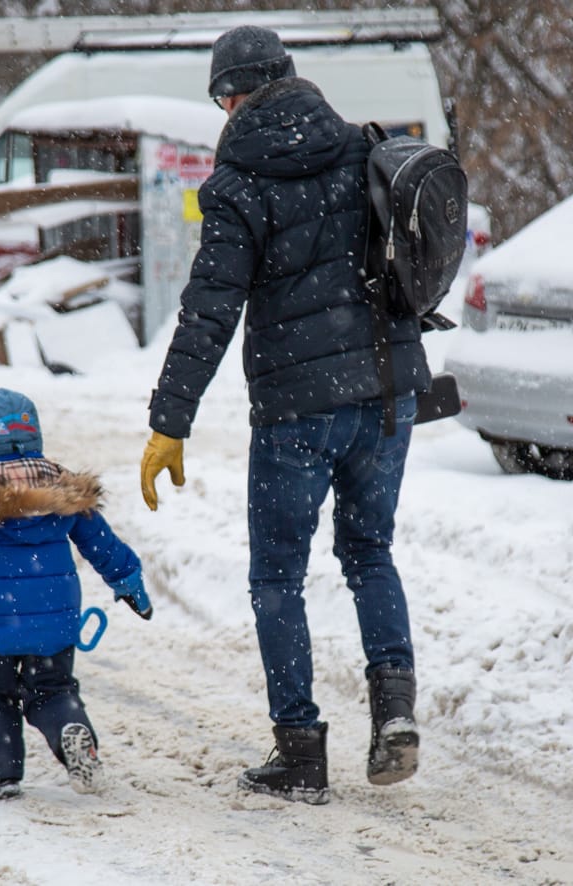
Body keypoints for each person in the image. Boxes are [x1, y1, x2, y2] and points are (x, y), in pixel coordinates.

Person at [139, 25, 429, 805]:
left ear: (230, 96)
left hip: (297, 413)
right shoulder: (360, 148)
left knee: (276, 578)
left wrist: (171, 421)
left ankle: (301, 752)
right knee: (370, 553)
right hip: (384, 393)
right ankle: (394, 713)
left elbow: (209, 312)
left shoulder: (237, 184)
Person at [0, 388, 152, 800]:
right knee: (52, 689)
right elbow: (103, 544)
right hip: (55, 620)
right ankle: (71, 729)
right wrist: (129, 582)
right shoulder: (63, 490)